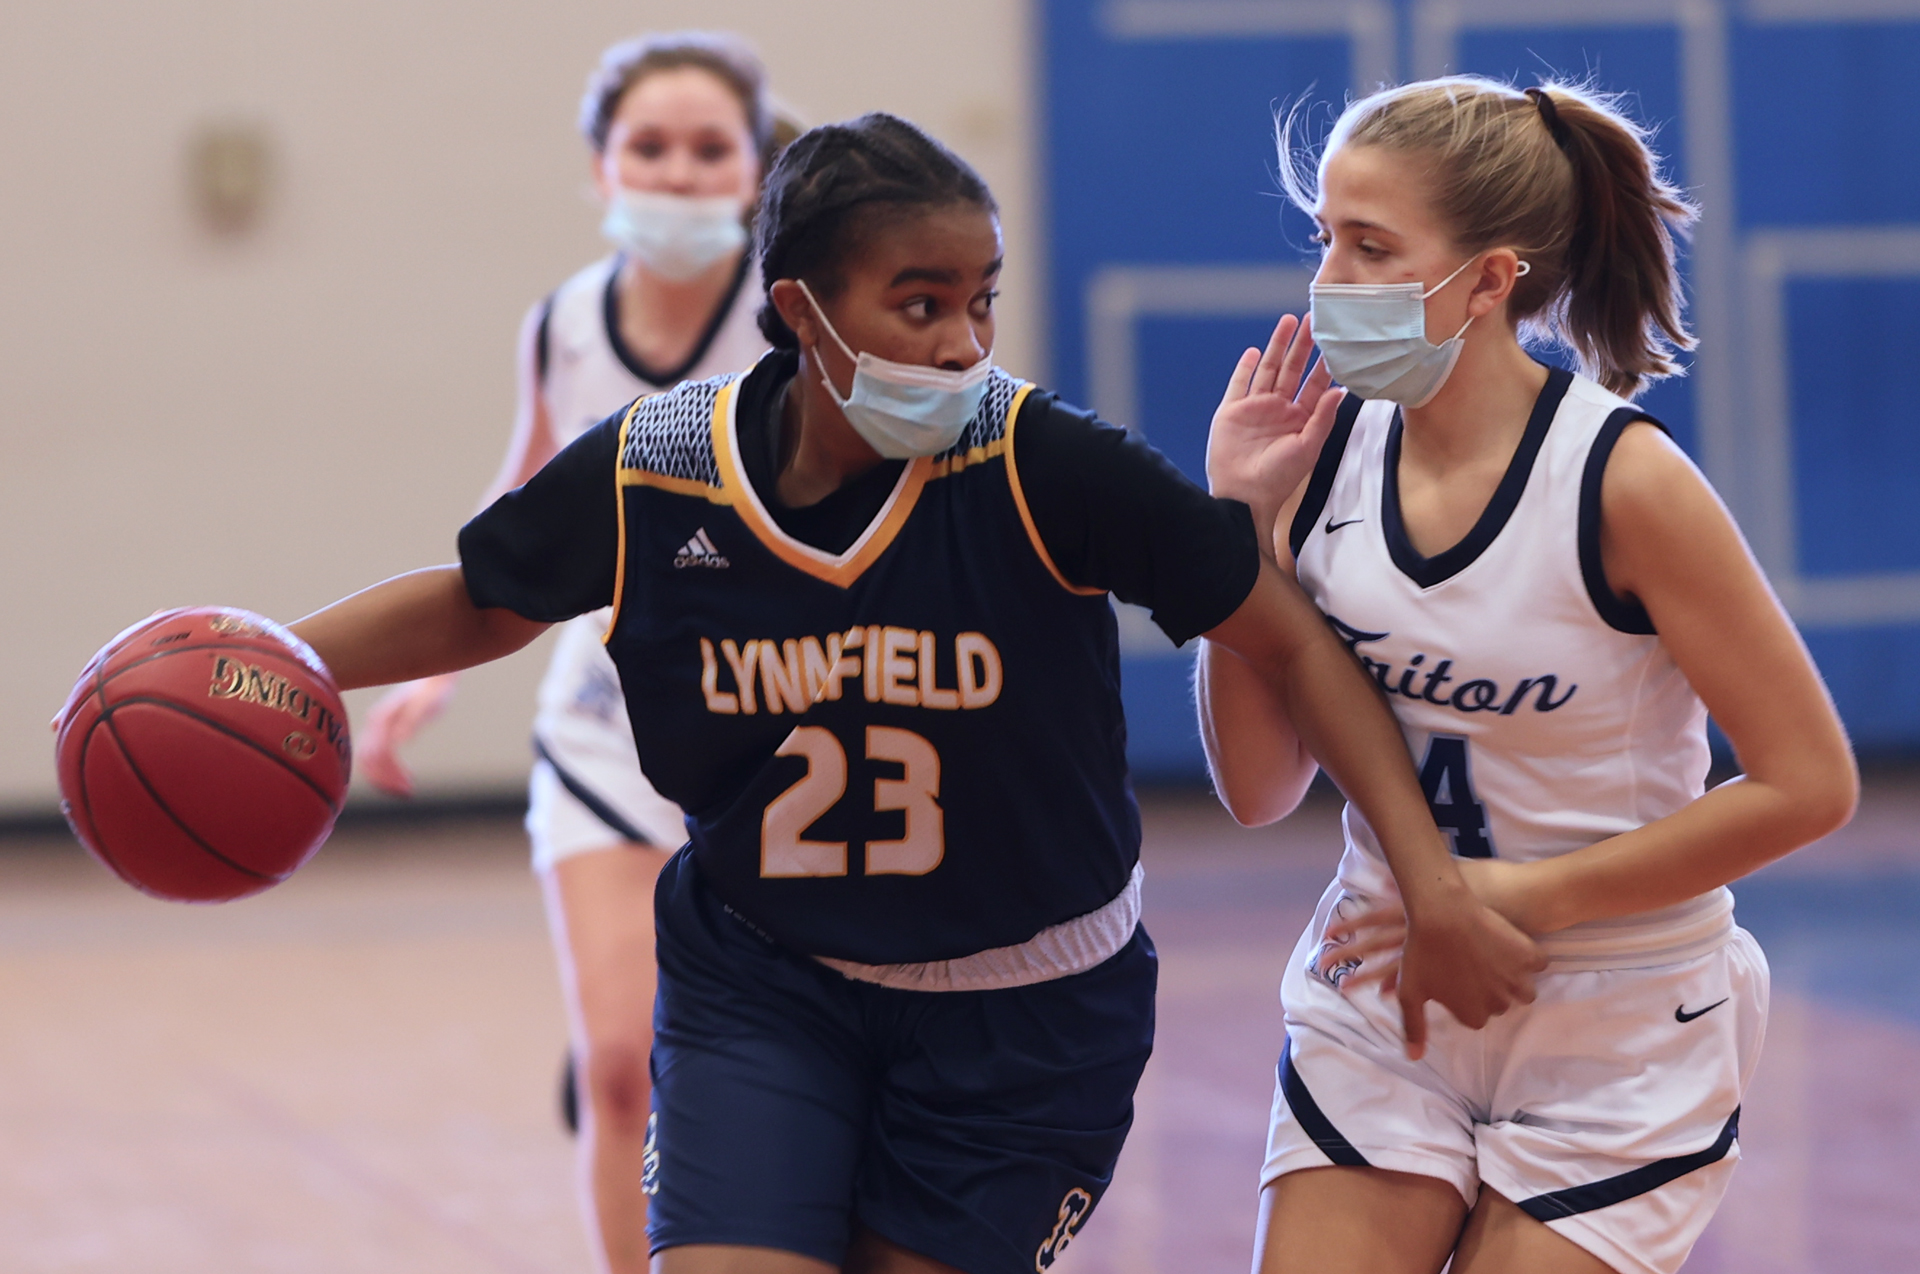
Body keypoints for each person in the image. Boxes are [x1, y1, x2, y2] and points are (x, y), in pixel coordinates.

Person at [288, 111, 1540, 1274]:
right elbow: (483, 598)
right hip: (765, 976)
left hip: (1025, 1010)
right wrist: (267, 653)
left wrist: (1430, 879)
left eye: (980, 301)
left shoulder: (1041, 463)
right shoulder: (661, 469)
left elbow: (1296, 644)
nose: (961, 342)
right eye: (920, 303)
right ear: (801, 309)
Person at [1198, 76, 1859, 1274]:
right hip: (1383, 980)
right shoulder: (1316, 456)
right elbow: (1256, 789)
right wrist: (1234, 530)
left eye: (1371, 247)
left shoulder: (1623, 481)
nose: (1330, 279)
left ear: (1490, 279)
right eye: (1326, 238)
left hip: (1615, 1011)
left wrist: (1515, 897)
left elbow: (1809, 783)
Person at [354, 32, 781, 1274]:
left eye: (709, 148)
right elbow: (518, 506)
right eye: (649, 147)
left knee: (776, 1068)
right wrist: (431, 668)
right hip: (606, 729)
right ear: (601, 169)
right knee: (618, 1065)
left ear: (755, 170)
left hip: (784, 734)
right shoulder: (564, 326)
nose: (678, 172)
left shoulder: (794, 320)